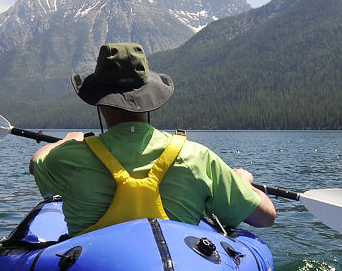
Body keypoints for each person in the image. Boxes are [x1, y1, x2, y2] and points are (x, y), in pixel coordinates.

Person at [30, 42, 276, 235]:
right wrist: (242, 182)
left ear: (99, 102)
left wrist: (67, 140)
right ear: (151, 98)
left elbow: (36, 162)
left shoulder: (69, 157)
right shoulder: (195, 156)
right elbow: (266, 216)